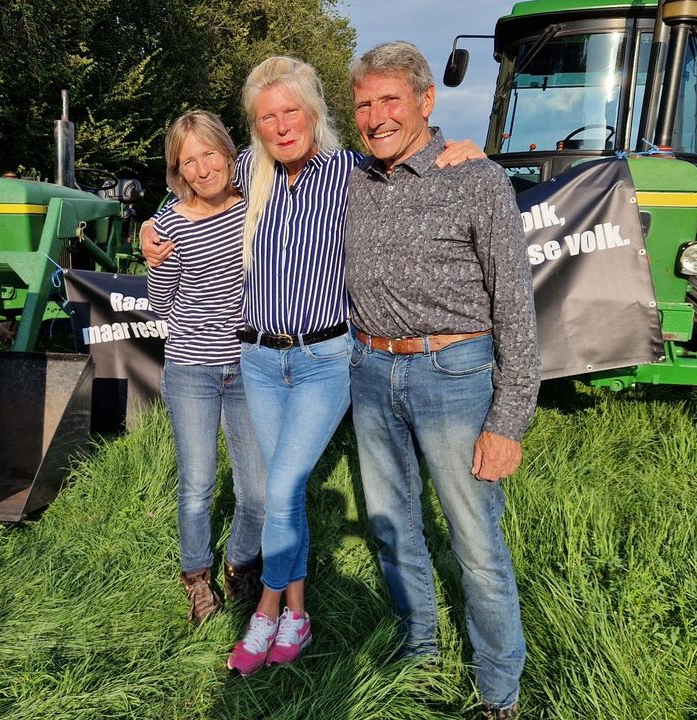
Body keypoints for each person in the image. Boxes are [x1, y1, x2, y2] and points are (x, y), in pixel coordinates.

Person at [144, 57, 483, 677]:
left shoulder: (350, 170)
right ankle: (296, 616)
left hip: (324, 358)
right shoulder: (250, 174)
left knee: (277, 489)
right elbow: (195, 184)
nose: (280, 126)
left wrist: (462, 153)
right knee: (287, 493)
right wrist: (150, 226)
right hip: (257, 359)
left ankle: (265, 609)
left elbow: (410, 161)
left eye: (290, 111)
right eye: (266, 117)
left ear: (314, 112)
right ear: (254, 128)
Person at [343, 41, 539, 720]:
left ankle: (498, 692)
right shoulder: (351, 180)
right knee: (392, 527)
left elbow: (515, 307)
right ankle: (418, 651)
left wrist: (508, 421)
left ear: (426, 100)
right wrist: (162, 226)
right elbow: (268, 162)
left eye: (390, 100)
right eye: (363, 104)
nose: (376, 116)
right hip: (370, 371)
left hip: (454, 375)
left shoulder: (477, 180)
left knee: (476, 543)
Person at [147, 110, 266, 624]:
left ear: (228, 152)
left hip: (249, 366)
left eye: (209, 154)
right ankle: (197, 576)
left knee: (256, 489)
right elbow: (160, 304)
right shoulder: (169, 223)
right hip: (191, 369)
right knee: (197, 484)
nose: (202, 168)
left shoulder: (259, 207)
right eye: (188, 161)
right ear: (177, 171)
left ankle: (240, 564)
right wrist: (156, 264)